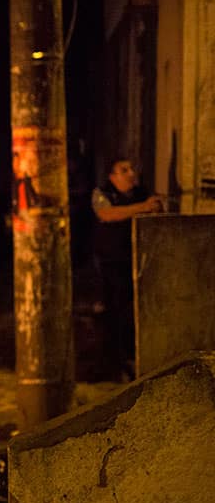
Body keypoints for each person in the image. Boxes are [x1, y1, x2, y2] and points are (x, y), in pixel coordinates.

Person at [91, 158, 163, 380]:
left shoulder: (140, 192)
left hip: (138, 259)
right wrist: (143, 207)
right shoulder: (102, 193)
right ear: (113, 177)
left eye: (132, 168)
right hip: (112, 262)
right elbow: (107, 214)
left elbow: (156, 212)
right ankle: (115, 362)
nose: (131, 173)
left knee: (136, 311)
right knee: (116, 311)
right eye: (124, 170)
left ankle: (133, 358)